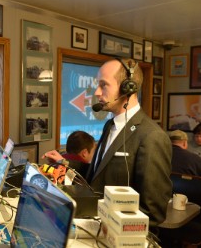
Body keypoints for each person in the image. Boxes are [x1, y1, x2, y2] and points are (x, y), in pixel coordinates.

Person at [47, 58, 172, 227]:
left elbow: (153, 213)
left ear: (128, 88)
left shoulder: (152, 136)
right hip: (94, 226)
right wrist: (64, 163)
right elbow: (97, 175)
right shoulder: (109, 125)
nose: (97, 92)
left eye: (103, 85)